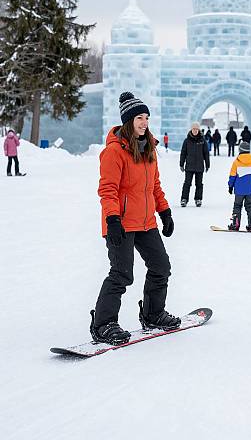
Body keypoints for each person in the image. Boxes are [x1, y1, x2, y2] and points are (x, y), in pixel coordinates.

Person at [91, 91, 180, 345]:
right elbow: (107, 189)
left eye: (147, 118)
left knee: (161, 266)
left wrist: (164, 211)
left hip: (145, 221)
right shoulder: (114, 152)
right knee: (121, 273)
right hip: (120, 222)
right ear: (128, 121)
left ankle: (153, 313)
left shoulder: (148, 148)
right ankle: (104, 324)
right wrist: (112, 219)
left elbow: (155, 186)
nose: (144, 122)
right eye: (139, 118)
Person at [228, 141, 251, 232]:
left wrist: (230, 186)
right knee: (249, 206)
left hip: (239, 190)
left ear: (240, 150)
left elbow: (232, 176)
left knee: (237, 206)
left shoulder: (236, 163)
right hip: (250, 190)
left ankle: (235, 223)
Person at [180, 121, 210, 207]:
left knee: (199, 184)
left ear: (199, 130)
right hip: (189, 166)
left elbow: (206, 154)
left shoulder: (202, 141)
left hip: (199, 166)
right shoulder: (187, 141)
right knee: (187, 184)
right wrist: (181, 164)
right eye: (194, 129)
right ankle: (184, 199)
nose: (195, 131)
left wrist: (207, 165)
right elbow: (183, 153)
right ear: (191, 129)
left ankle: (198, 199)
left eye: (197, 129)